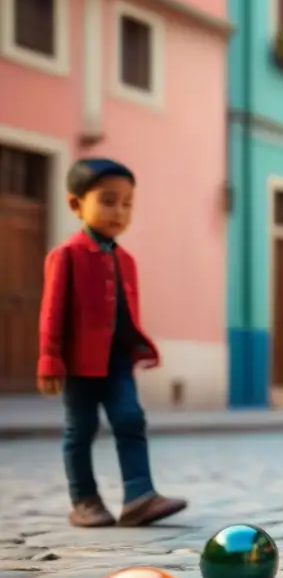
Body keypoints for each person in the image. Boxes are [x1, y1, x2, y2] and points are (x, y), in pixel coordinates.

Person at [37, 158, 188, 528]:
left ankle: (140, 496)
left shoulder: (126, 260)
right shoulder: (66, 255)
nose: (119, 211)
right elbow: (52, 312)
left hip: (117, 360)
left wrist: (139, 348)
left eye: (127, 203)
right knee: (80, 427)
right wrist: (49, 358)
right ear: (76, 204)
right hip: (79, 362)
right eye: (107, 201)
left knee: (130, 418)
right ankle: (84, 499)